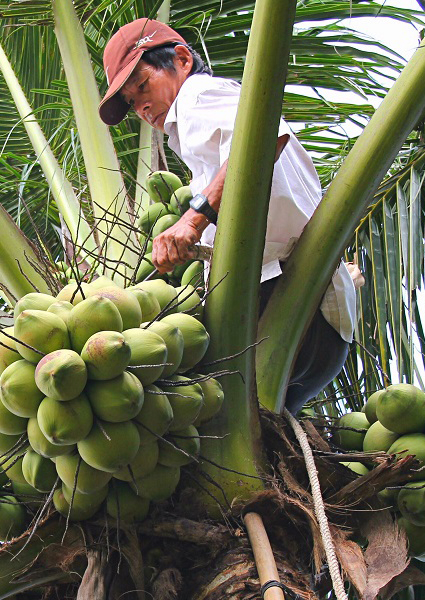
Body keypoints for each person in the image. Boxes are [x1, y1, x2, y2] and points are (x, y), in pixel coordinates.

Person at [98, 18, 357, 414]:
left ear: (182, 59)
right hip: (314, 332)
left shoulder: (199, 96)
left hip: (287, 304)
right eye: (132, 102)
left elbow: (262, 141)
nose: (141, 106)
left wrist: (192, 219)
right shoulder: (196, 125)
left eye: (143, 85)